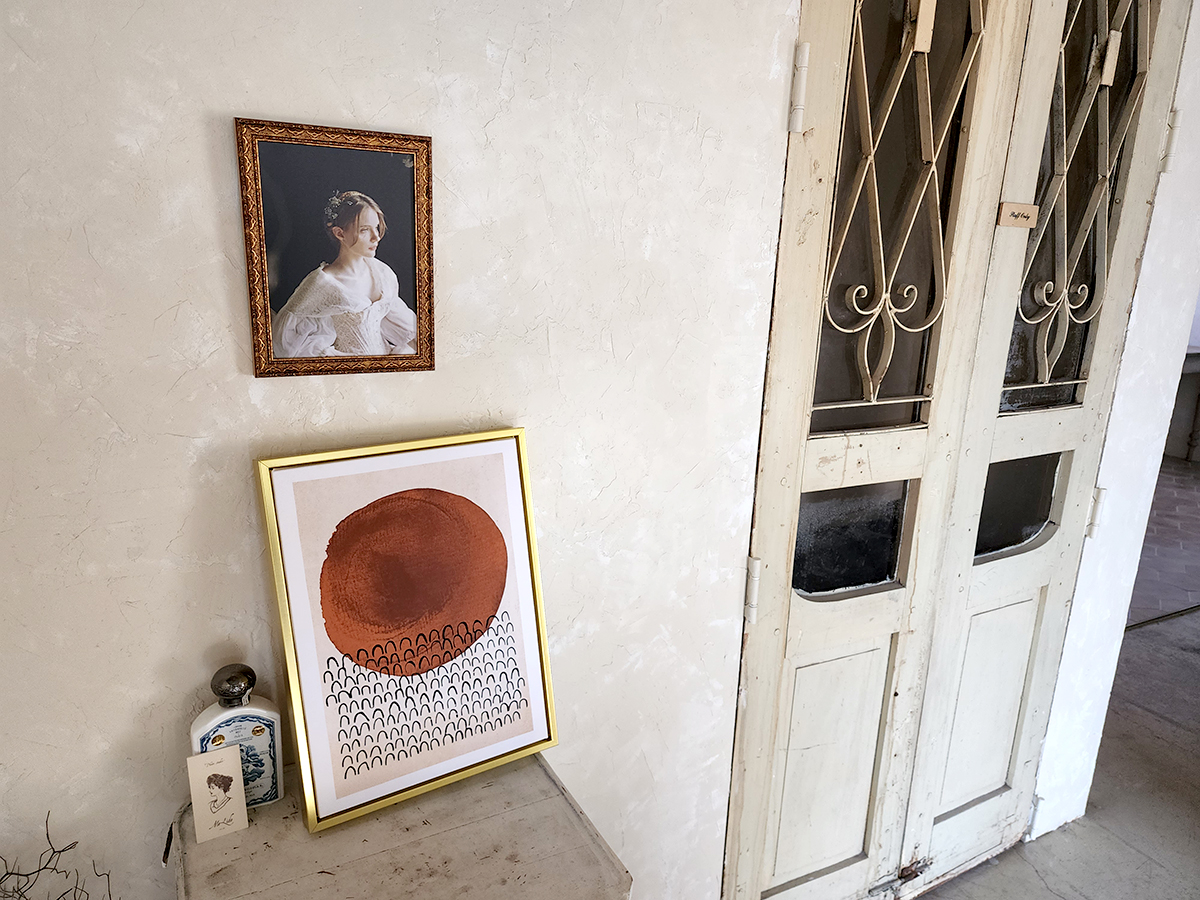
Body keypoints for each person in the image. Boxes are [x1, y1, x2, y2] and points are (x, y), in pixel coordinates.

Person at [271, 191, 417, 358]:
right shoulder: (322, 283)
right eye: (364, 230)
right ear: (340, 233)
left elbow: (409, 330)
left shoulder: (381, 273)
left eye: (376, 227)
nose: (376, 237)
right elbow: (286, 343)